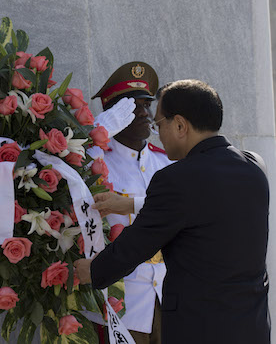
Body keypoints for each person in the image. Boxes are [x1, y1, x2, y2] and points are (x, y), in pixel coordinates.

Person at [75, 79, 270, 344]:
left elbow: (139, 243)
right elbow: (202, 210)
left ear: (179, 125)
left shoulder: (177, 178)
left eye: (159, 124)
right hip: (251, 326)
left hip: (199, 328)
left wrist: (95, 270)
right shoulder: (254, 166)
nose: (157, 133)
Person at [91, 62, 170, 344]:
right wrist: (96, 136)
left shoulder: (166, 161)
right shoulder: (96, 163)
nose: (144, 114)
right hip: (123, 301)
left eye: (146, 105)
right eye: (133, 107)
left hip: (168, 295)